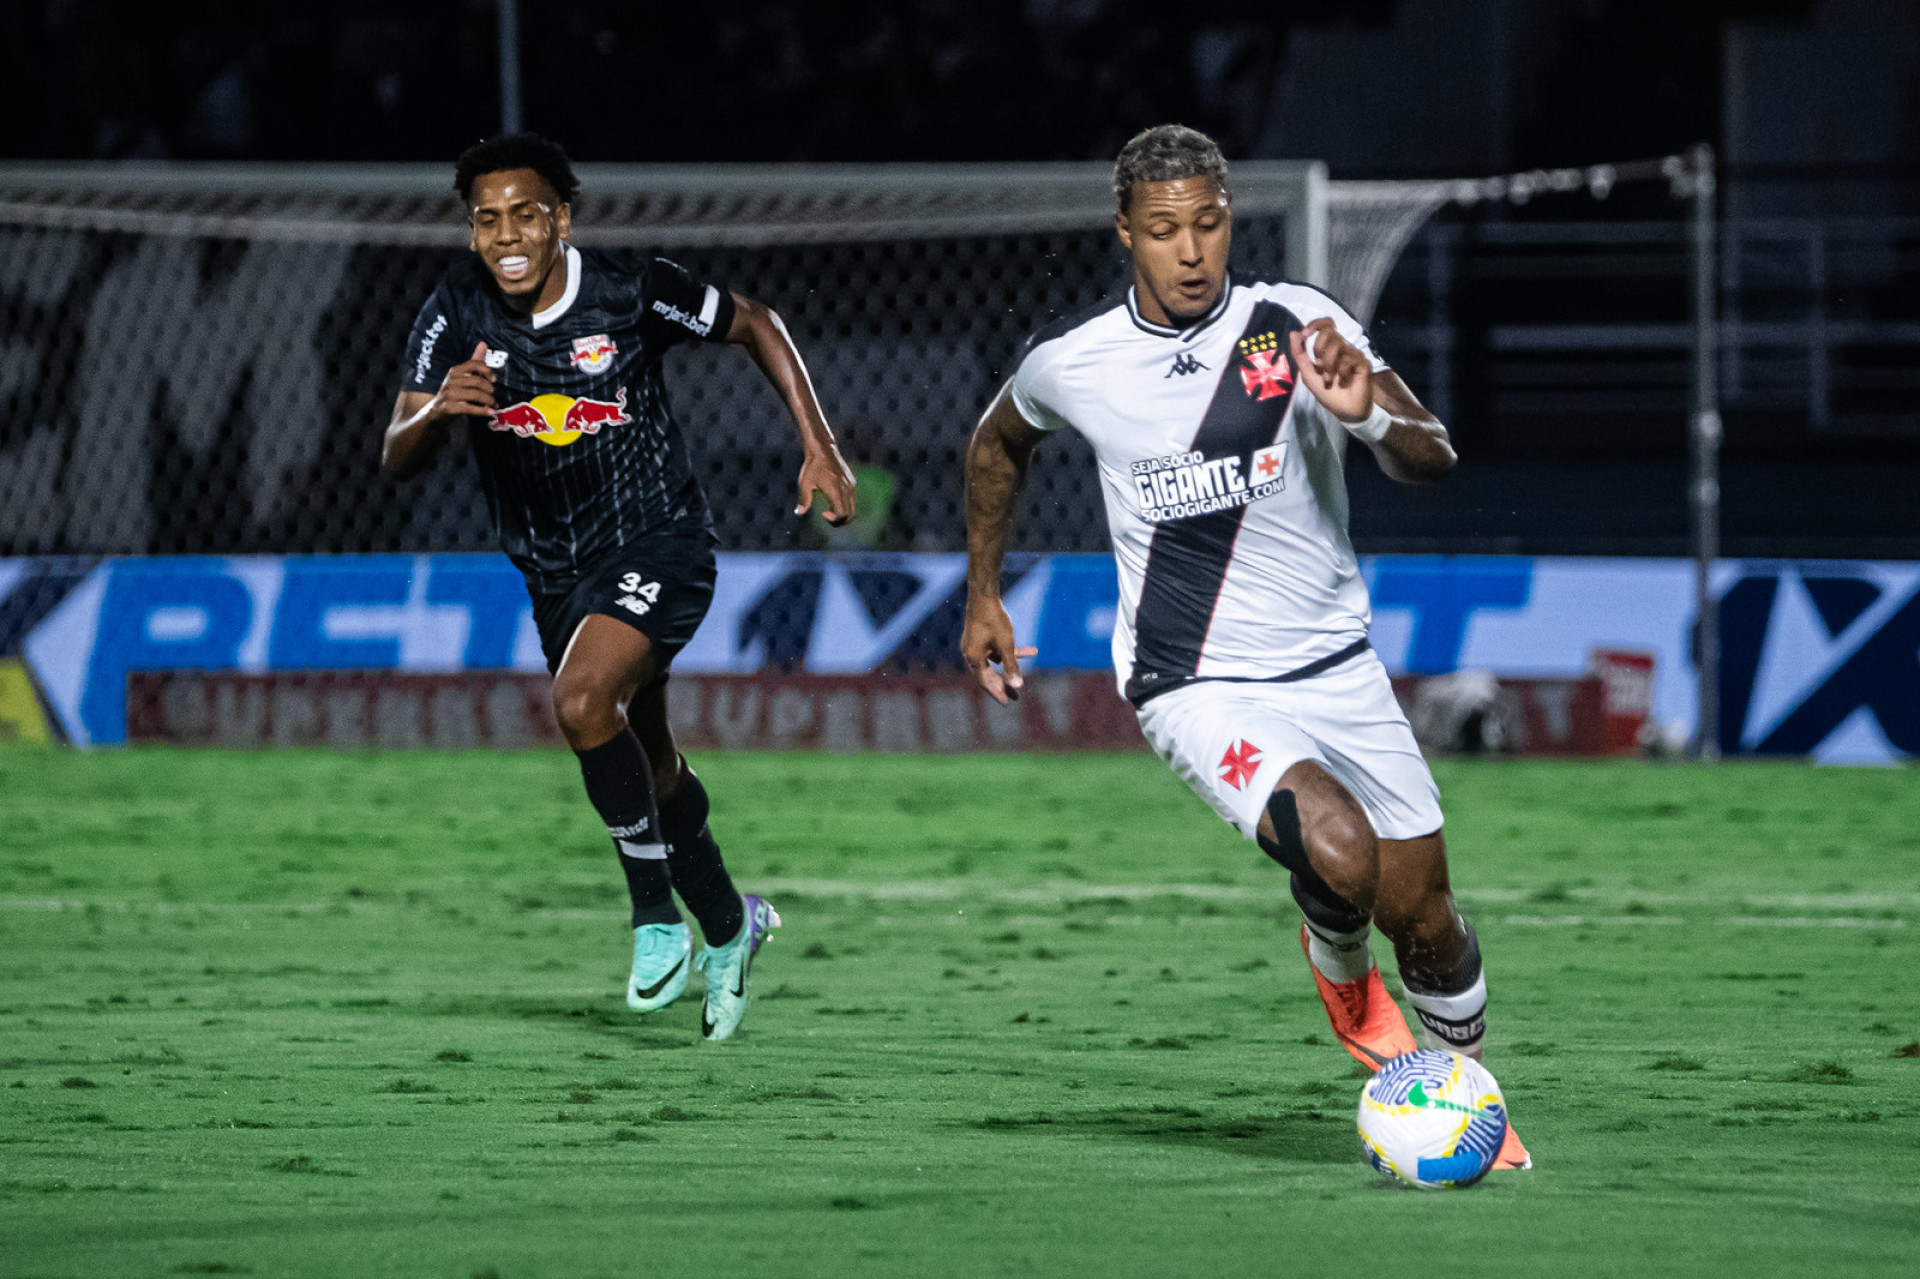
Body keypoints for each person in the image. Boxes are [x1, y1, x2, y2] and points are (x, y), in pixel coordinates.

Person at [961, 124, 1528, 1169]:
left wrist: (1367, 416)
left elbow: (1430, 452)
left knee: (1431, 922)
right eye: (1166, 229)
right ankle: (1338, 957)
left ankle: (1469, 1104)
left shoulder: (1297, 326)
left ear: (1232, 222)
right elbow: (998, 440)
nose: (1191, 251)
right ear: (1125, 231)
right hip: (1195, 684)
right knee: (1344, 854)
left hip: (1339, 670)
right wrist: (984, 593)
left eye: (1210, 225)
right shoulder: (1074, 362)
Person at [383, 133, 856, 1041]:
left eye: (527, 214)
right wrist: (440, 408)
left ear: (561, 218)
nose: (508, 235)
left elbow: (755, 320)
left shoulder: (633, 288)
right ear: (471, 230)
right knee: (650, 756)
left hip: (662, 542)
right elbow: (395, 456)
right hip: (557, 577)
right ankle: (729, 923)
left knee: (581, 698)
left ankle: (653, 919)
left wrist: (819, 444)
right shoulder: (452, 313)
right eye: (488, 220)